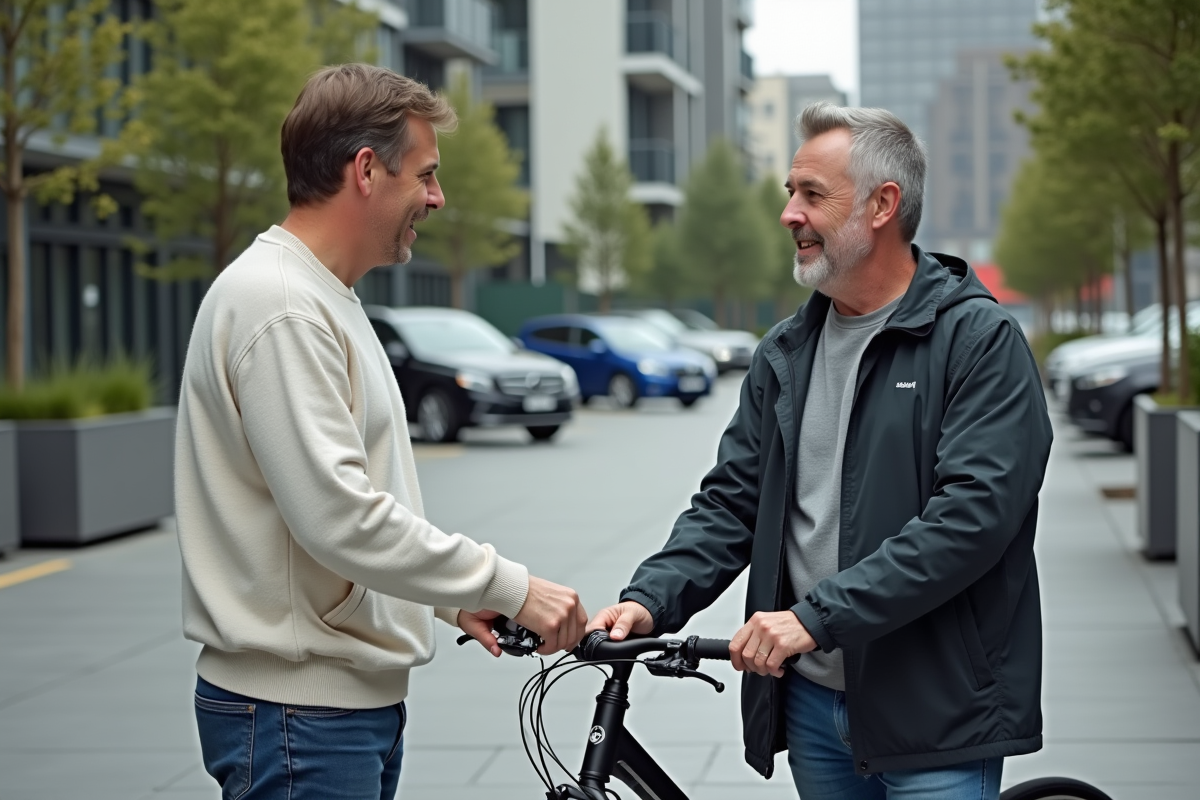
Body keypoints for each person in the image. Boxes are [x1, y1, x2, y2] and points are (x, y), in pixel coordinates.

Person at [588, 102, 1052, 800]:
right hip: (811, 706)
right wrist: (650, 600)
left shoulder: (977, 341)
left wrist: (814, 617)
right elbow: (731, 503)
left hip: (939, 715)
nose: (789, 214)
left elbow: (973, 519)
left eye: (812, 194)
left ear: (881, 206)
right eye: (789, 193)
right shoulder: (785, 352)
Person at [175, 64, 587, 800]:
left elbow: (340, 514)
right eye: (425, 175)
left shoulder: (321, 297)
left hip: (328, 707)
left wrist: (445, 599)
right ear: (366, 170)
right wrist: (511, 586)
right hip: (300, 711)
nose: (437, 197)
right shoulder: (282, 307)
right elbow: (339, 516)